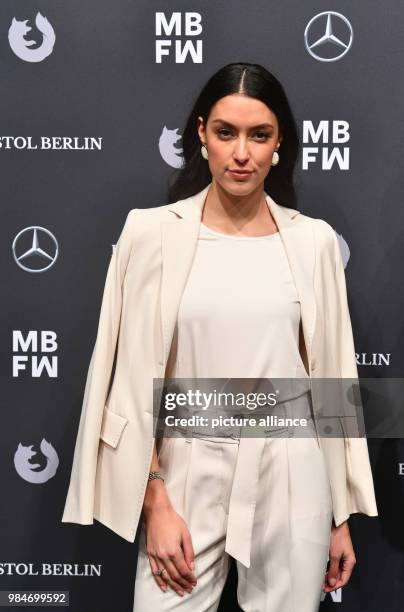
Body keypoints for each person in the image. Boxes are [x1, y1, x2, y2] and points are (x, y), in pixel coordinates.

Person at [61, 62, 378, 612]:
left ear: (279, 144)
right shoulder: (150, 233)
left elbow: (332, 381)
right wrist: (153, 497)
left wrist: (339, 515)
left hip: (291, 468)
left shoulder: (314, 243)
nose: (242, 153)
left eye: (260, 135)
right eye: (226, 132)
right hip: (184, 467)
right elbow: (126, 380)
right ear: (201, 134)